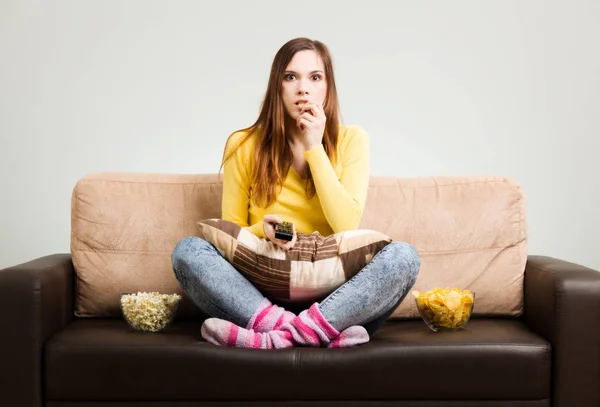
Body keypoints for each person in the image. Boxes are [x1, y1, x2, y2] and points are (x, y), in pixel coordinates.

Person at [171, 37, 421, 349]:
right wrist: (262, 231)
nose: (303, 88)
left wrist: (314, 146)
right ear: (277, 86)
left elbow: (346, 225)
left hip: (336, 298)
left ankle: (274, 339)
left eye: (315, 78)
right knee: (188, 252)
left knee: (404, 258)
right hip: (260, 293)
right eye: (291, 77)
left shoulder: (352, 139)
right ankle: (303, 331)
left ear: (327, 88)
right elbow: (230, 234)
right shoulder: (243, 143)